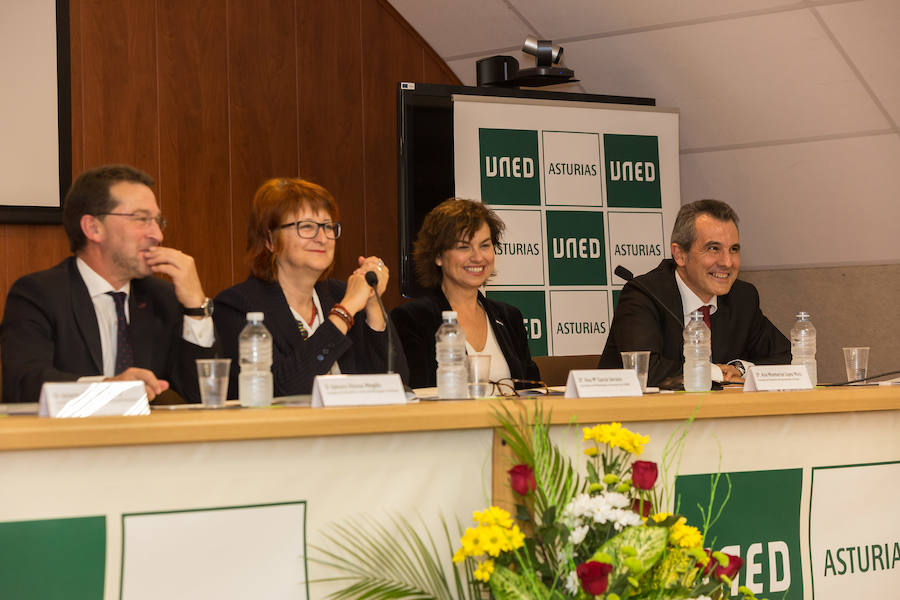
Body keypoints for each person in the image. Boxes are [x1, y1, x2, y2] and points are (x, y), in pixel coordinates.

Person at [1, 164, 216, 403]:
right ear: (93, 228)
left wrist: (196, 308)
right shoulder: (40, 294)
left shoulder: (162, 297)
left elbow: (201, 395)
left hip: (146, 439)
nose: (157, 234)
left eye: (157, 221)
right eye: (142, 219)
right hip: (66, 438)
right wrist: (107, 389)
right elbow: (23, 383)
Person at [213, 178, 407, 397]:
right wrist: (344, 312)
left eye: (327, 227)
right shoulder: (237, 306)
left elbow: (398, 384)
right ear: (270, 240)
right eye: (306, 227)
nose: (322, 238)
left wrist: (373, 305)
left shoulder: (342, 294)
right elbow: (280, 390)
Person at [598, 199, 790, 386]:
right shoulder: (644, 295)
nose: (727, 262)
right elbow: (644, 370)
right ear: (680, 254)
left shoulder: (742, 297)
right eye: (713, 248)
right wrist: (714, 372)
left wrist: (740, 368)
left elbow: (787, 357)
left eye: (733, 249)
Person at [392, 198, 540, 389]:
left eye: (485, 245)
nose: (478, 257)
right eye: (464, 247)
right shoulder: (412, 319)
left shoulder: (509, 317)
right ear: (437, 256)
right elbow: (416, 394)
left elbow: (533, 391)